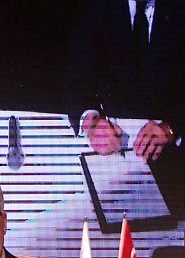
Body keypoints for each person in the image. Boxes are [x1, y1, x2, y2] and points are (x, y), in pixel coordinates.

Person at [65, 0, 185, 166]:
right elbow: (76, 78)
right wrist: (91, 122)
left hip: (171, 153)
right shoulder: (97, 6)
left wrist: (171, 128)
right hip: (109, 150)